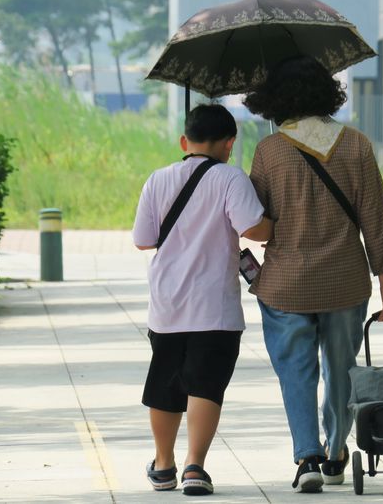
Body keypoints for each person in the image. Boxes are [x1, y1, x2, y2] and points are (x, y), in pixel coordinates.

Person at [243, 55, 383, 493]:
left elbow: (257, 221)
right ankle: (335, 449)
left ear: (274, 100)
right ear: (326, 94)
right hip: (345, 280)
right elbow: (376, 216)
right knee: (341, 368)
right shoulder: (355, 144)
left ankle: (307, 456)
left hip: (285, 283)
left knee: (296, 370)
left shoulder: (270, 152)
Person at [133, 104, 273, 496]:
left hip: (167, 305)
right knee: (205, 386)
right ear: (230, 144)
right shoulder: (231, 178)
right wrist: (278, 220)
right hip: (215, 308)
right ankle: (195, 467)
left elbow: (143, 239)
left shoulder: (157, 180)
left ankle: (163, 465)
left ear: (184, 141)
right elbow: (254, 230)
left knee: (165, 384)